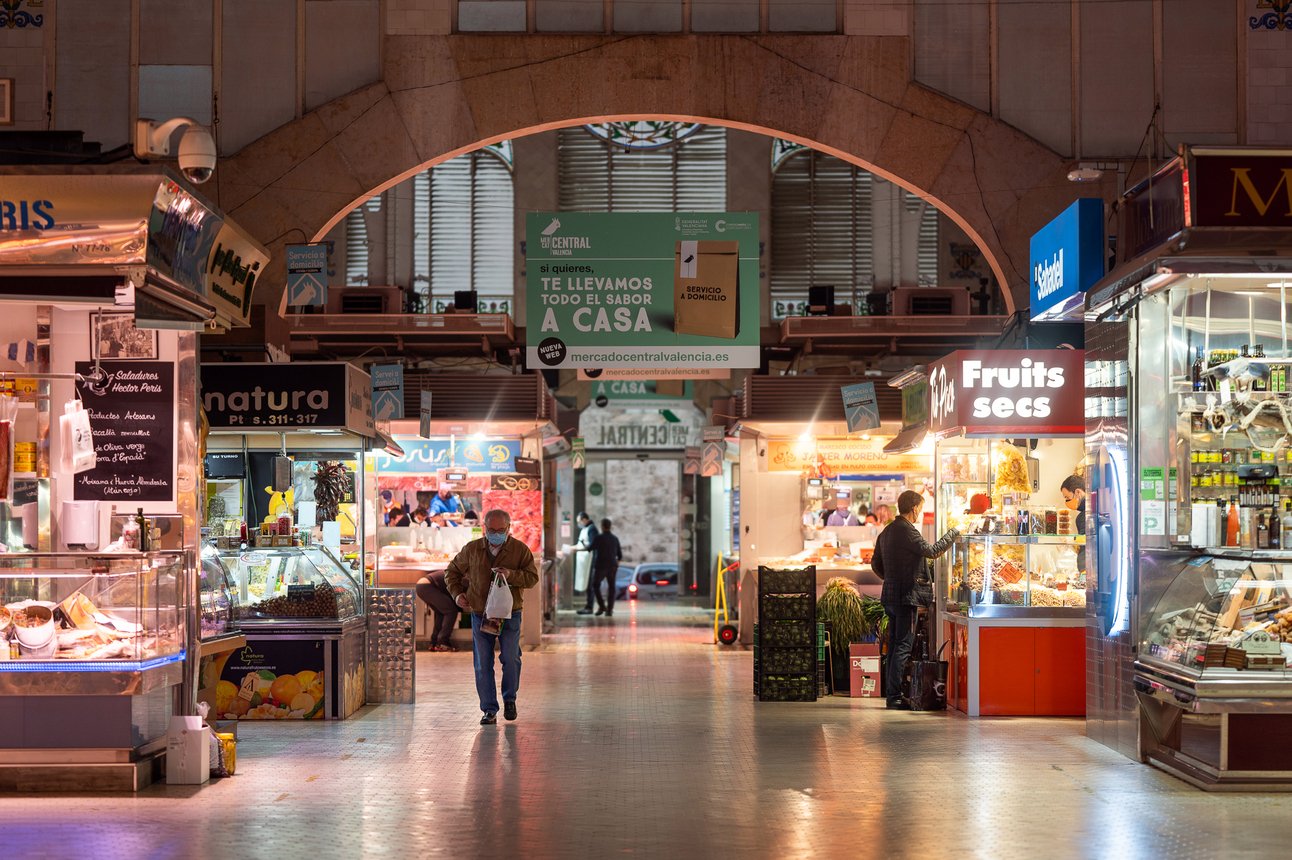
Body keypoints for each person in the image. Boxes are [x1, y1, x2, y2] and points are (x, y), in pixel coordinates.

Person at [445, 509, 539, 725]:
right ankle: (489, 709)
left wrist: (511, 575)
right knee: (482, 662)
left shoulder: (519, 550)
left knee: (511, 658)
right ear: (485, 528)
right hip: (481, 613)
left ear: (508, 528)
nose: (496, 534)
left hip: (509, 614)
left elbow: (532, 577)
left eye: (500, 530)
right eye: (492, 530)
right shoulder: (472, 549)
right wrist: (458, 594)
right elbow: (452, 572)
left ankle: (510, 700)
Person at [870, 489, 959, 710]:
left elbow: (875, 563)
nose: (920, 512)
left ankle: (892, 694)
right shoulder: (906, 530)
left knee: (894, 646)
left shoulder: (888, 530)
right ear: (914, 508)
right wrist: (954, 533)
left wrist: (890, 579)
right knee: (903, 645)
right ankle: (895, 697)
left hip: (891, 596)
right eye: (920, 507)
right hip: (905, 597)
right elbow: (932, 551)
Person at [585, 518, 622, 617]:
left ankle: (602, 606)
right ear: (610, 526)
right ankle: (609, 610)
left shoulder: (599, 538)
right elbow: (620, 555)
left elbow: (590, 548)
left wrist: (584, 544)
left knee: (595, 585)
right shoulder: (615, 539)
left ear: (602, 526)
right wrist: (616, 564)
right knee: (612, 587)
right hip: (612, 566)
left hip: (601, 566)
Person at [414, 570, 459, 651]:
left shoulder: (456, 570)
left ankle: (434, 643)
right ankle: (443, 642)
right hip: (428, 586)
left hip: (422, 586)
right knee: (451, 611)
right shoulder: (464, 577)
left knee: (441, 613)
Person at [572, 511, 598, 598]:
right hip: (582, 559)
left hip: (589, 559)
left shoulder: (592, 529)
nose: (579, 524)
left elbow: (592, 545)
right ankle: (587, 605)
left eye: (580, 521)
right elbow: (580, 543)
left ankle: (589, 606)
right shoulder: (584, 529)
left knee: (589, 581)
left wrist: (578, 549)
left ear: (585, 519)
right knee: (584, 581)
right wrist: (572, 548)